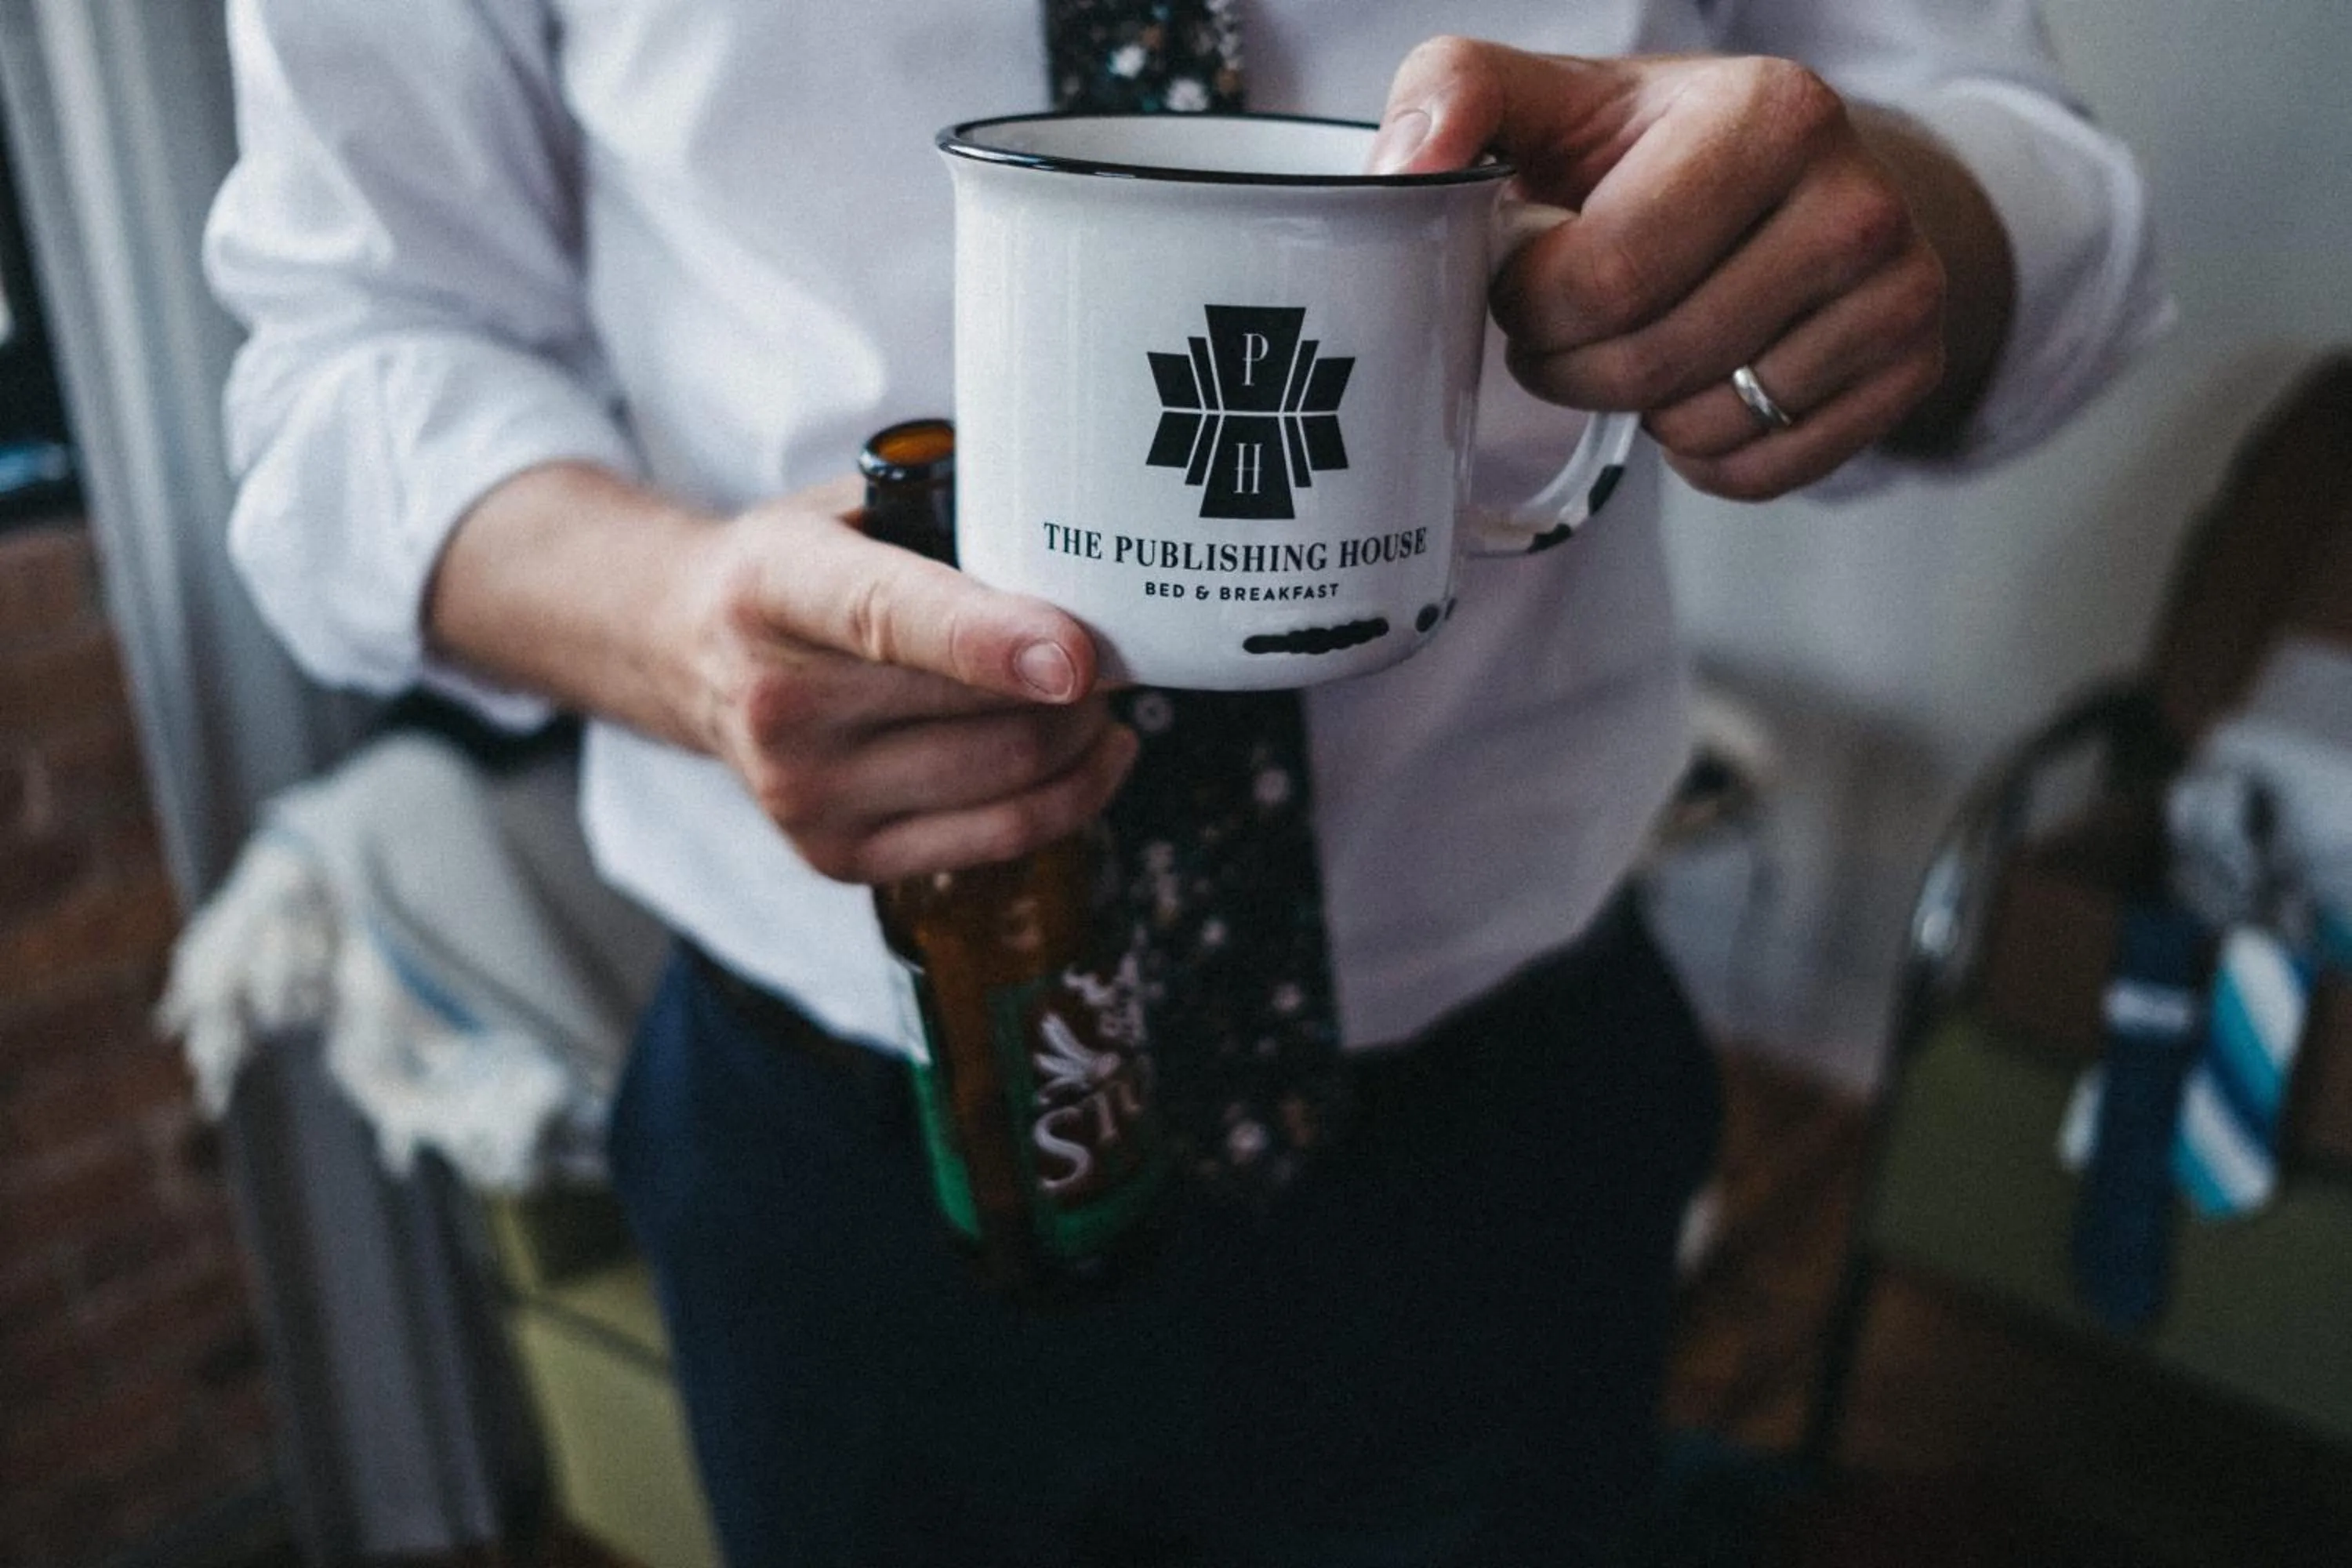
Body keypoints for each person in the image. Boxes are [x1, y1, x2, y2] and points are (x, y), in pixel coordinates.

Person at [206, 2, 2167, 1563]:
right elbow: (349, 352)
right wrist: (677, 620)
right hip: (847, 1136)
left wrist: (1893, 214)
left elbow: (2027, 158)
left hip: (1504, 1115)